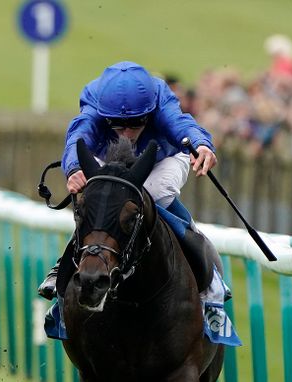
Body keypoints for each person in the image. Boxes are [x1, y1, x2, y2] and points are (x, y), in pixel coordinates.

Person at [38, 61, 218, 301]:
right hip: (110, 158)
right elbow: (78, 136)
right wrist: (73, 169)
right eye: (117, 124)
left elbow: (181, 123)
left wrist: (201, 144)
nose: (127, 133)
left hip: (162, 158)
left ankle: (205, 269)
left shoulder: (159, 96)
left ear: (149, 112)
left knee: (152, 195)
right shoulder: (95, 98)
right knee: (100, 201)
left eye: (136, 123)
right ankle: (65, 266)